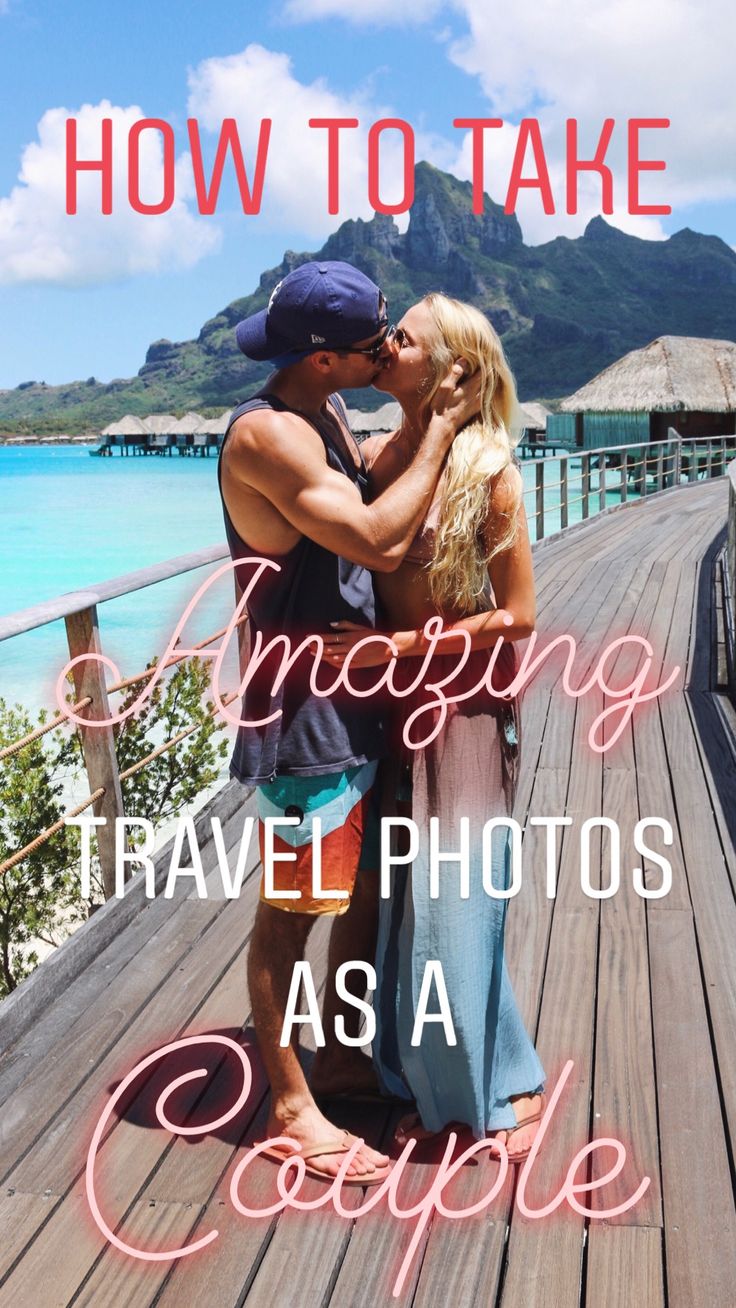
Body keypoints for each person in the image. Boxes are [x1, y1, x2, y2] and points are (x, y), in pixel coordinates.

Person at [218, 262, 477, 1184]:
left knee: (360, 895)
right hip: (304, 718)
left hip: (355, 702)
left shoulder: (324, 413)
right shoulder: (268, 438)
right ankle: (290, 1108)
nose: (388, 351)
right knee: (291, 912)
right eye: (376, 345)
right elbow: (376, 538)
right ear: (323, 359)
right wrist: (442, 426)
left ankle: (339, 1058)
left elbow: (377, 503)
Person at [321, 293, 546, 1162]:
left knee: (456, 904)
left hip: (465, 707)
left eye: (405, 337)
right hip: (393, 710)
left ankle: (477, 1103)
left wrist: (407, 643)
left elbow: (520, 614)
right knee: (414, 910)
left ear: (452, 369)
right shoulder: (380, 459)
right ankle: (469, 1073)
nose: (389, 343)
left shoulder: (490, 470)